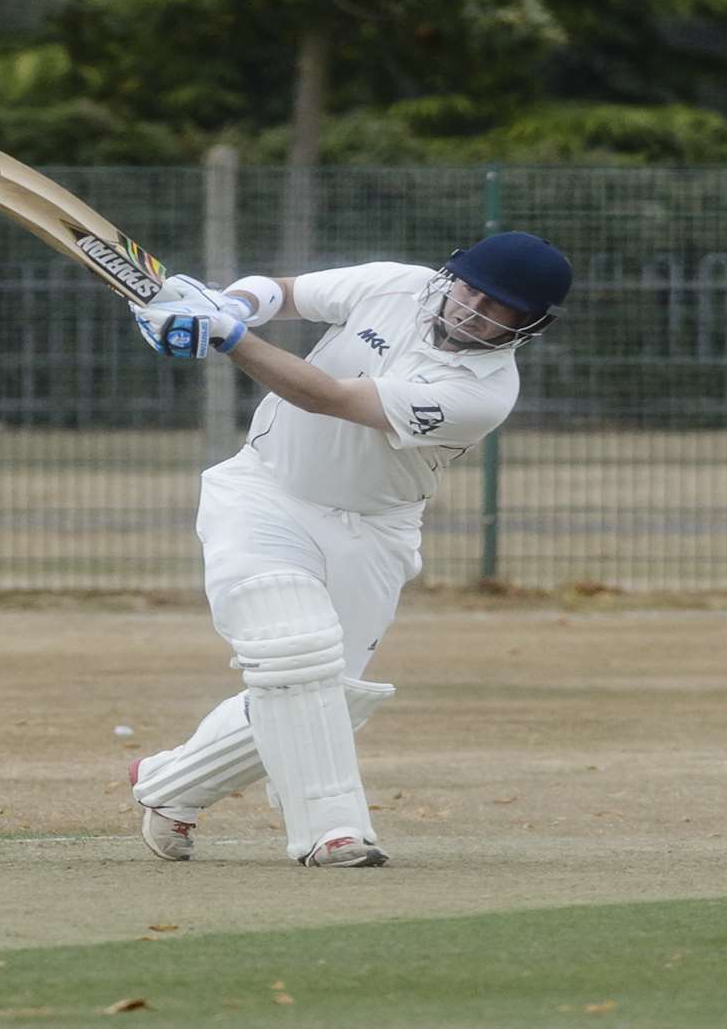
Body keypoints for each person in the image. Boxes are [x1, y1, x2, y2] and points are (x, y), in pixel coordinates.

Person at [122, 232, 573, 867]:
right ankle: (335, 832)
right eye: (473, 289)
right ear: (453, 276)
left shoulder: (484, 393)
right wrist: (230, 303)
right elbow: (281, 292)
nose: (476, 308)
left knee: (327, 698)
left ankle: (171, 785)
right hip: (265, 491)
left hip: (376, 529)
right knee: (293, 648)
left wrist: (226, 335)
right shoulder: (399, 284)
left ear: (529, 325)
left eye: (501, 307)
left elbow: (328, 398)